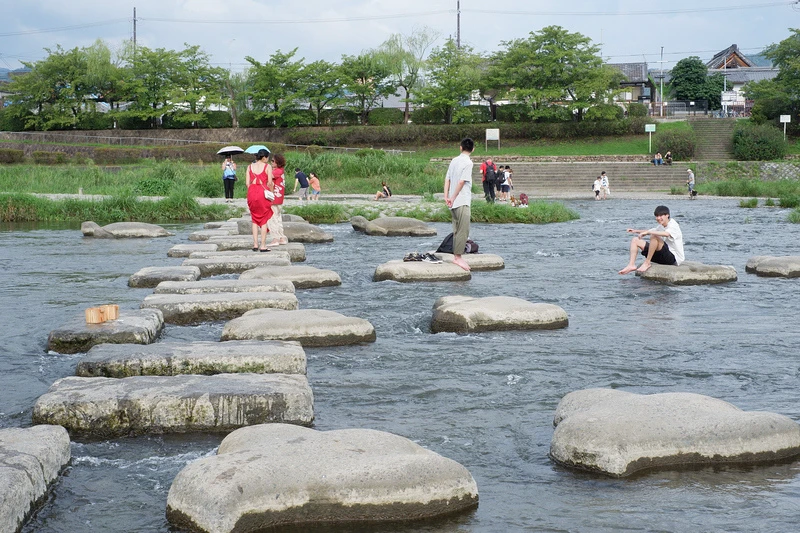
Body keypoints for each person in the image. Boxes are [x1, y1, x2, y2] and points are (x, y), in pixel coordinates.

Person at [618, 205, 685, 275]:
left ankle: (647, 262)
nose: (658, 218)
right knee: (635, 240)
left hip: (674, 259)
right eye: (657, 216)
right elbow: (650, 231)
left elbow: (666, 234)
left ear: (667, 215)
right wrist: (635, 231)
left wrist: (648, 232)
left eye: (661, 215)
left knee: (654, 236)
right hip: (662, 256)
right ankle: (631, 265)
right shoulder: (661, 226)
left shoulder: (673, 225)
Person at [444, 137, 474, 272]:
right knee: (463, 229)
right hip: (462, 200)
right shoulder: (468, 163)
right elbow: (461, 182)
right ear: (473, 149)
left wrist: (447, 197)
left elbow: (447, 179)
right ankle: (458, 257)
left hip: (453, 201)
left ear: (460, 147)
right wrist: (454, 197)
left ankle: (456, 255)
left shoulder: (454, 160)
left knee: (456, 229)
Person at [245, 149, 273, 252]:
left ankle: (255, 244)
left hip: (252, 192)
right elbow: (270, 183)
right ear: (264, 157)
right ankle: (263, 245)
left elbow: (247, 183)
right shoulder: (267, 167)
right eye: (268, 157)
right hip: (262, 192)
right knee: (264, 219)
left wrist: (253, 190)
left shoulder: (249, 167)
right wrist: (271, 193)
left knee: (254, 219)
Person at [266, 153, 288, 246]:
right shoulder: (281, 171)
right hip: (279, 198)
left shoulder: (276, 171)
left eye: (273, 161)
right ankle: (282, 237)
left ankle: (275, 238)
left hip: (274, 198)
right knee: (278, 218)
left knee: (272, 218)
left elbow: (266, 176)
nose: (271, 162)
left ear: (277, 162)